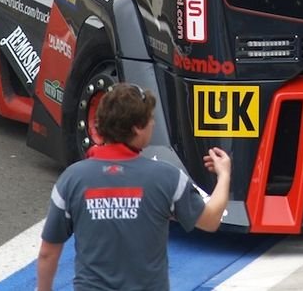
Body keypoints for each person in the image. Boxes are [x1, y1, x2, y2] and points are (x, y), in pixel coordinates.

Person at [36, 83, 231, 290]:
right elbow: (211, 221)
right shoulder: (168, 178)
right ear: (137, 127)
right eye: (151, 119)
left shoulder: (72, 179)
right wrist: (224, 175)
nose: (154, 124)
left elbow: (48, 252)